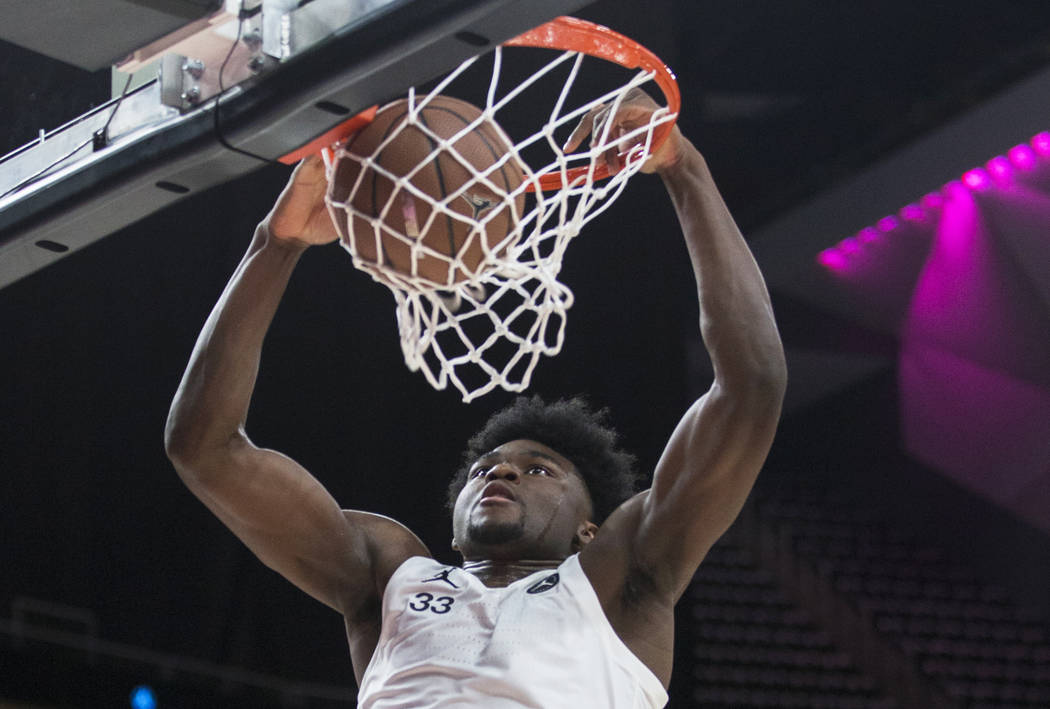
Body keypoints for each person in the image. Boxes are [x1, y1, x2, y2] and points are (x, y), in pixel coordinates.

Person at [164, 89, 787, 708]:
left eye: (538, 469)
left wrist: (685, 169)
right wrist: (274, 246)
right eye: (485, 468)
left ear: (589, 530)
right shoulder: (390, 573)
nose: (503, 471)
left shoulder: (620, 578)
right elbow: (205, 448)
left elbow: (750, 385)